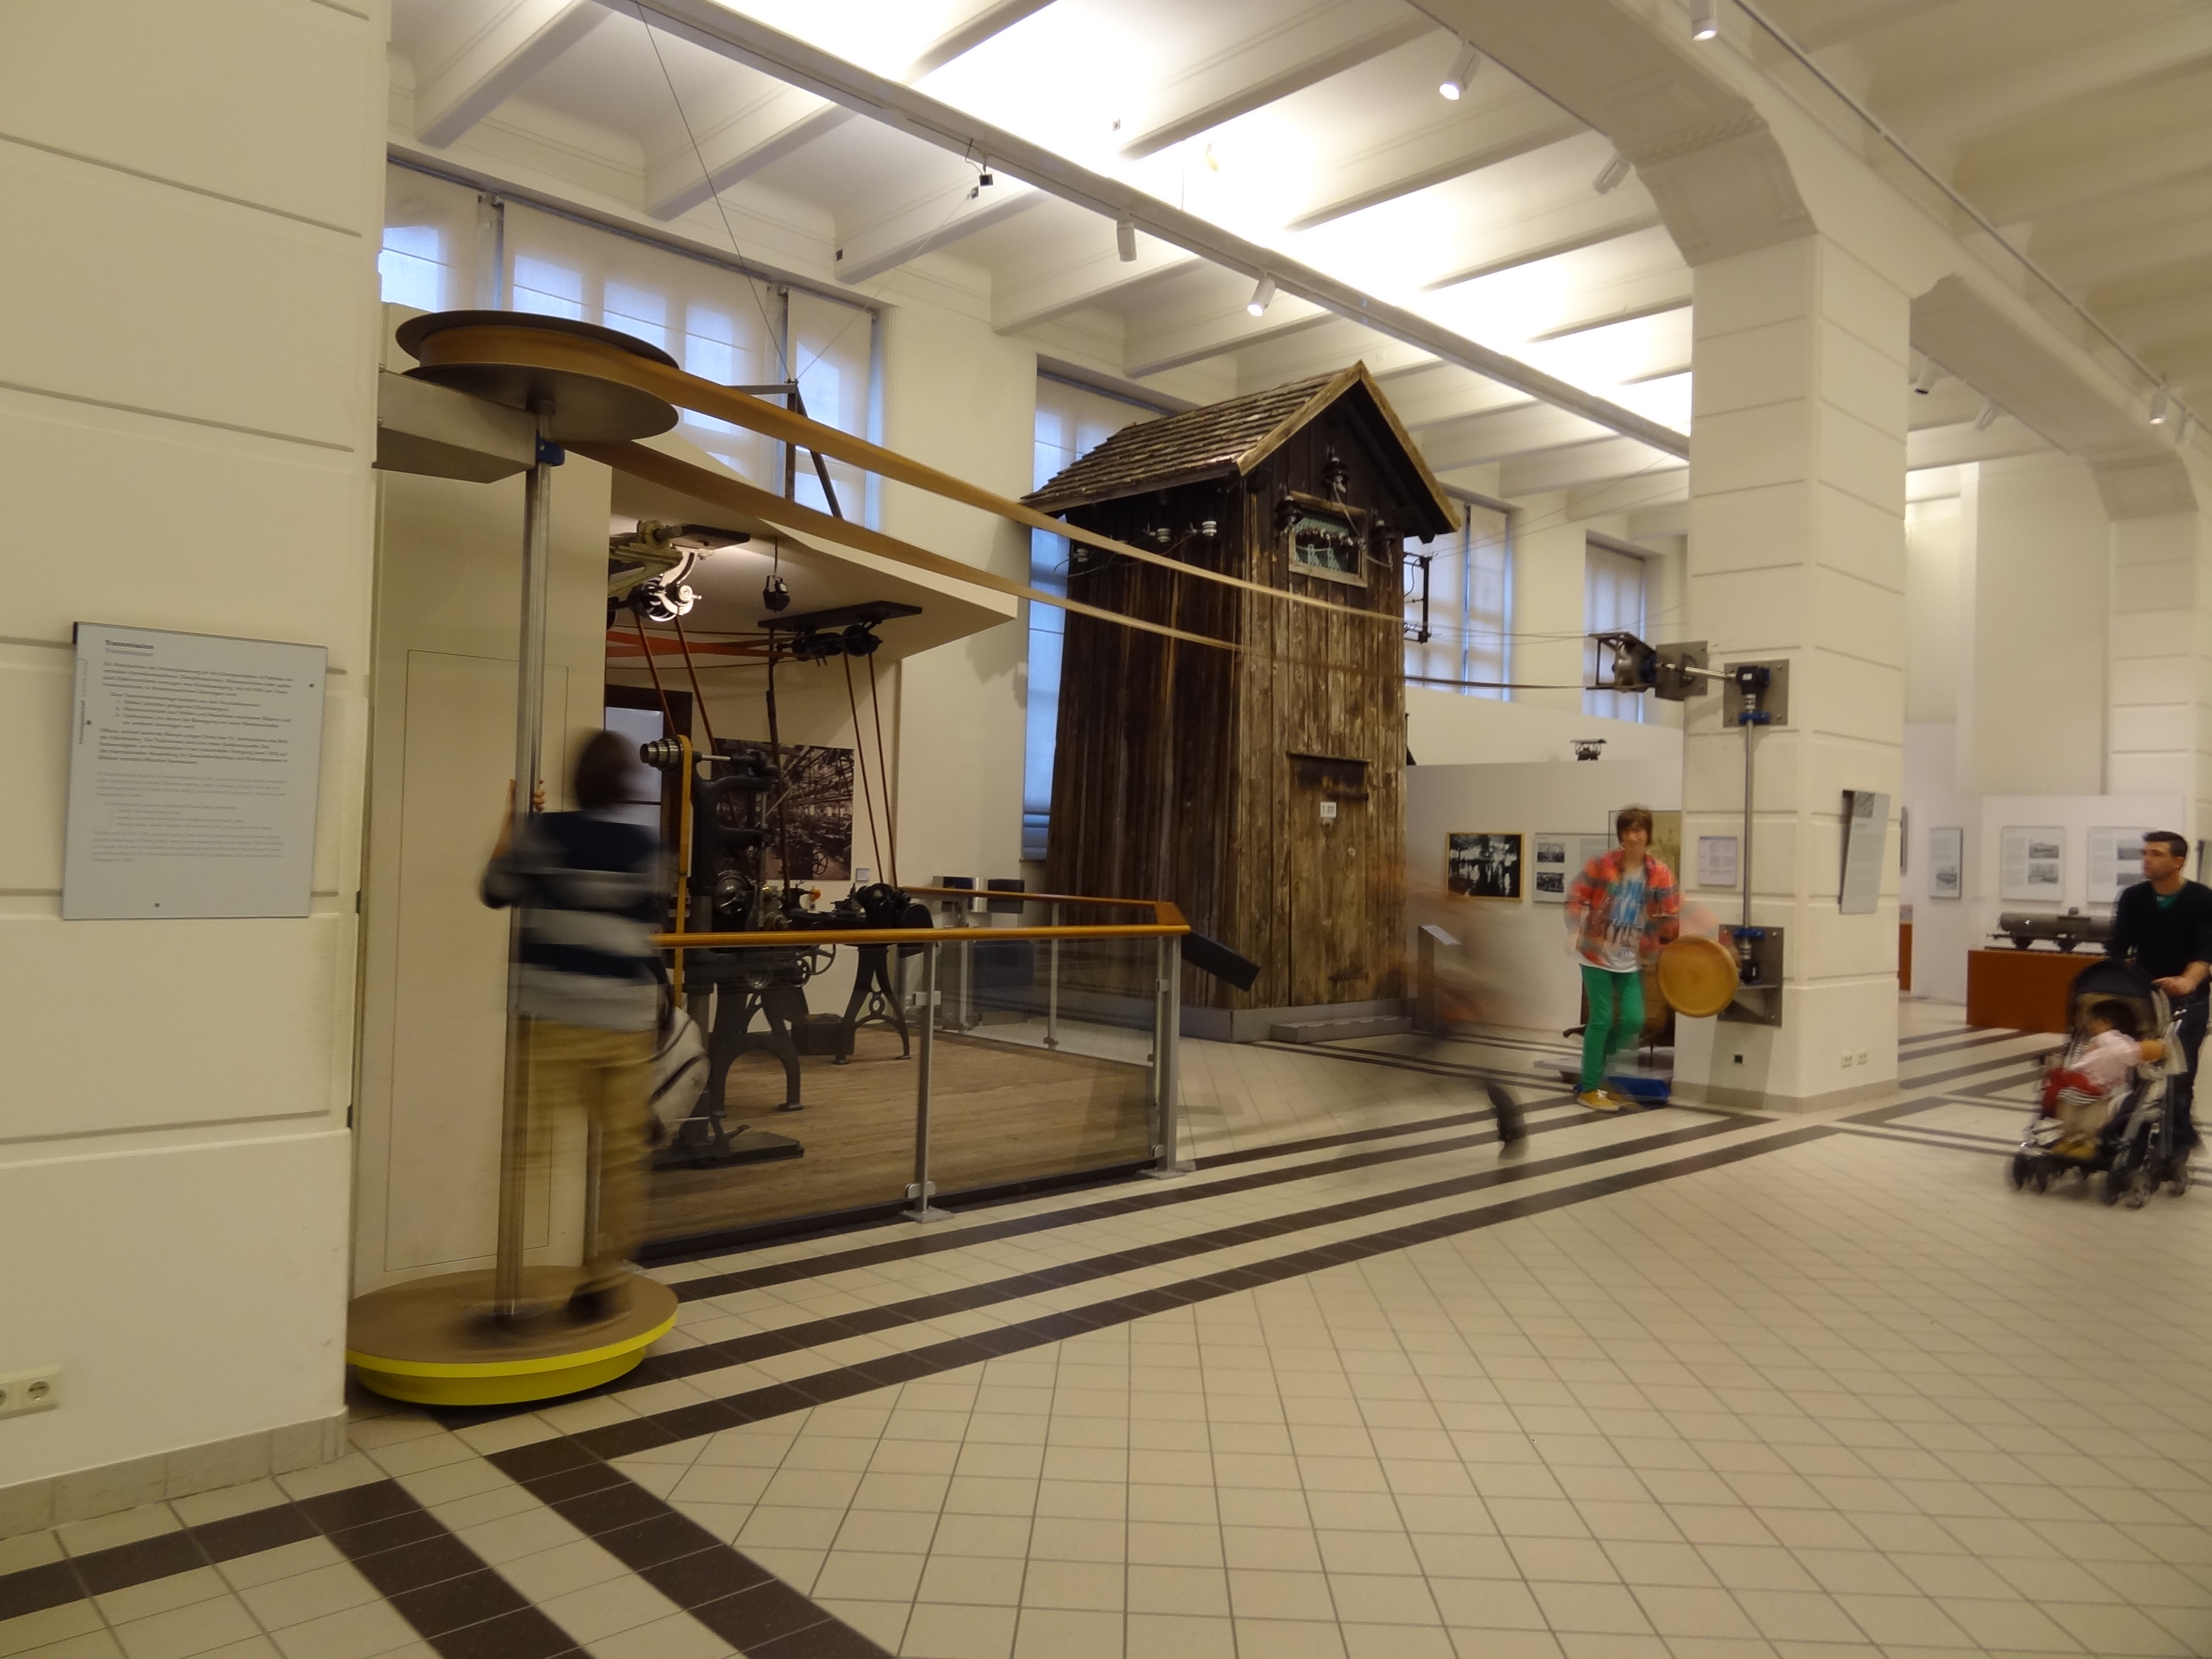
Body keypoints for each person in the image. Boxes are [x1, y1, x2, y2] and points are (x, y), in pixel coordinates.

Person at [483, 730, 665, 1320]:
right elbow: (648, 920)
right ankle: (602, 1278)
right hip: (626, 1019)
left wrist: (513, 824)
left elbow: (495, 891)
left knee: (529, 1147)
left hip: (555, 1014)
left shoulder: (548, 836)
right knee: (619, 1158)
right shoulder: (647, 848)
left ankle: (516, 1285)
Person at [1564, 806, 1680, 1111]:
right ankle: (1590, 1087)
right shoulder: (1601, 865)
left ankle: (1595, 1066)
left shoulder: (1660, 873)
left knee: (1633, 1020)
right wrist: (1575, 929)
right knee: (1601, 1019)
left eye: (1639, 830)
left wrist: (1668, 940)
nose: (1633, 837)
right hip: (1596, 955)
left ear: (1648, 835)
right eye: (1628, 831)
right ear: (1621, 835)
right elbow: (1575, 897)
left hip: (1632, 959)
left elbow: (1671, 914)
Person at [2106, 830, 2212, 1159]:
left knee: (2180, 1074)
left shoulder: (2202, 899)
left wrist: (2188, 981)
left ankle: (2176, 1142)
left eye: (2156, 854)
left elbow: (2206, 949)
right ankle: (2133, 1138)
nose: (2147, 860)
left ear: (2179, 861)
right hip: (2144, 997)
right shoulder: (2134, 897)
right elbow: (2119, 946)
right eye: (2145, 853)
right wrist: (2116, 977)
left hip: (2187, 999)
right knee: (2140, 1069)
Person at [2042, 999, 2143, 1158]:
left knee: (2091, 1116)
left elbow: (2126, 1056)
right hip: (2085, 1087)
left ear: (2107, 1023)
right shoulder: (2095, 1040)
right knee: (2071, 1107)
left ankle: (2089, 1142)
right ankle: (2071, 1138)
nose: (2089, 1024)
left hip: (2105, 1090)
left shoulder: (2114, 1041)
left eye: (2094, 1020)